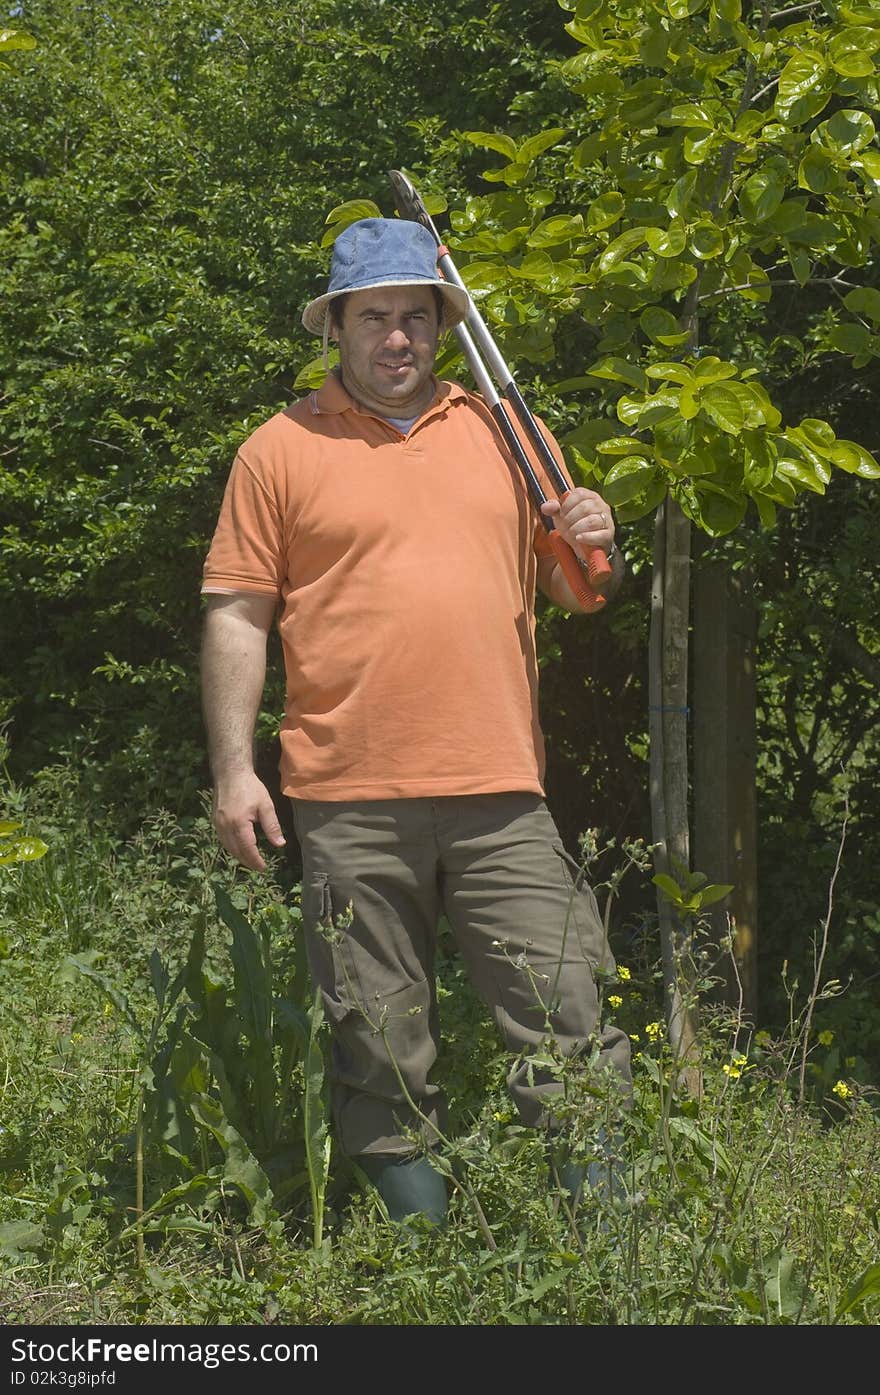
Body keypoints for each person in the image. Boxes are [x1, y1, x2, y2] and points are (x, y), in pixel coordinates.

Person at [200, 216, 632, 1228]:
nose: (396, 336)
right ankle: (424, 1271)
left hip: (501, 794)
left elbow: (579, 590)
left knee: (568, 1018)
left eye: (415, 317)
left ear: (439, 325)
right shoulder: (277, 451)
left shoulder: (504, 431)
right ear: (336, 327)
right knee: (378, 1043)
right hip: (346, 796)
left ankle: (609, 1267)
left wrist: (592, 531)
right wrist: (234, 770)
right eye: (374, 317)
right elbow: (236, 611)